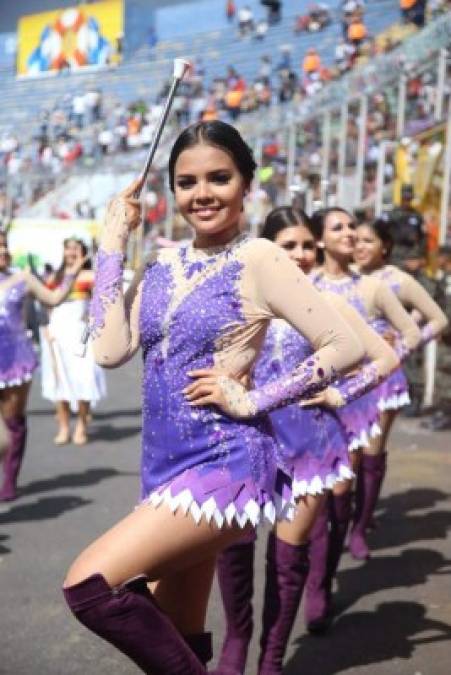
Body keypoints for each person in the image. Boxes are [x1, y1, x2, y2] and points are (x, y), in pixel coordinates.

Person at [62, 121, 364, 674]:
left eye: (219, 178)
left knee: (89, 585)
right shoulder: (161, 263)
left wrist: (256, 400)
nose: (202, 193)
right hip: (162, 469)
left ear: (246, 183)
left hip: (225, 463)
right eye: (186, 182)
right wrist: (112, 241)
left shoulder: (261, 258)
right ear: (170, 190)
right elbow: (109, 351)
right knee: (179, 638)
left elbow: (344, 344)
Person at [215, 207, 398, 673]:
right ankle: (236, 641)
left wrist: (341, 393)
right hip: (246, 445)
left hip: (310, 446)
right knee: (234, 547)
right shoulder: (240, 300)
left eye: (306, 246)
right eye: (288, 246)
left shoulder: (327, 304)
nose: (299, 255)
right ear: (267, 249)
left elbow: (385, 358)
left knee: (287, 560)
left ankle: (272, 659)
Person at [309, 207, 423, 570]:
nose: (350, 234)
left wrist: (388, 355)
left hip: (364, 390)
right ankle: (317, 554)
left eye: (353, 228)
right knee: (317, 482)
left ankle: (354, 530)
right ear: (319, 239)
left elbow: (419, 327)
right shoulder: (305, 283)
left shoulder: (376, 284)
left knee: (351, 471)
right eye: (338, 227)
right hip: (313, 393)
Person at [0, 231, 85, 501]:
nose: (2, 250)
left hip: (15, 360)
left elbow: (54, 299)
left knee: (12, 420)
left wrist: (71, 274)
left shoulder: (22, 278)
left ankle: (10, 478)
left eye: (4, 245)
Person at [40, 238, 106, 446]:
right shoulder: (55, 277)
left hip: (81, 335)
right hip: (57, 336)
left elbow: (99, 307)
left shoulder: (90, 276)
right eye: (68, 248)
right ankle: (64, 427)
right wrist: (48, 328)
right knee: (60, 383)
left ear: (83, 252)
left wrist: (90, 334)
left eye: (76, 248)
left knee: (84, 379)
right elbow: (47, 304)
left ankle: (81, 426)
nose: (71, 252)